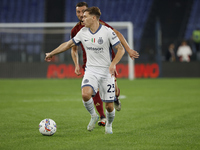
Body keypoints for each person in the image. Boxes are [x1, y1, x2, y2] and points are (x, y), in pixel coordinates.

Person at [45, 7, 125, 134]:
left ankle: (109, 124)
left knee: (109, 106)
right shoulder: (82, 32)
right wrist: (51, 53)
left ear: (93, 18)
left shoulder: (107, 32)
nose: (82, 18)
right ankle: (94, 116)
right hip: (91, 70)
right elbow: (67, 44)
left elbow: (121, 49)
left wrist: (113, 64)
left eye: (85, 16)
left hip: (106, 72)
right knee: (85, 94)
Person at [71, 2, 139, 126]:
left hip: (107, 62)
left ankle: (115, 97)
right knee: (92, 90)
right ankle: (102, 117)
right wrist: (76, 64)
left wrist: (128, 49)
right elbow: (73, 48)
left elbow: (117, 34)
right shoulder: (75, 30)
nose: (81, 14)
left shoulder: (100, 25)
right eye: (78, 12)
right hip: (89, 64)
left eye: (83, 11)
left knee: (114, 90)